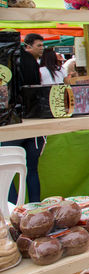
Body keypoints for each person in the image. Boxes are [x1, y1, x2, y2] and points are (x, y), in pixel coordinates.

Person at [1, 33, 45, 203]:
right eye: (39, 45)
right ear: (27, 45)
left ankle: (12, 214)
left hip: (10, 123)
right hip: (32, 121)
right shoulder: (30, 61)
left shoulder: (8, 59)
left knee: (8, 172)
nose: (42, 49)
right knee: (31, 170)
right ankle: (36, 211)